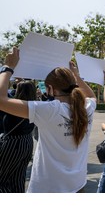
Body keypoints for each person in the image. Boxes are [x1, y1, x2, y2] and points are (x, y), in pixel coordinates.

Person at [0, 48, 97, 192]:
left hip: (49, 188)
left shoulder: (49, 110)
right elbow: (92, 95)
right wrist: (76, 75)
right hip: (77, 186)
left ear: (50, 89)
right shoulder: (87, 107)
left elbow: (2, 101)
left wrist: (8, 67)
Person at [0, 80, 36, 192]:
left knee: (2, 178)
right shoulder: (36, 106)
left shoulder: (14, 106)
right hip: (27, 142)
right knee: (18, 178)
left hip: (12, 143)